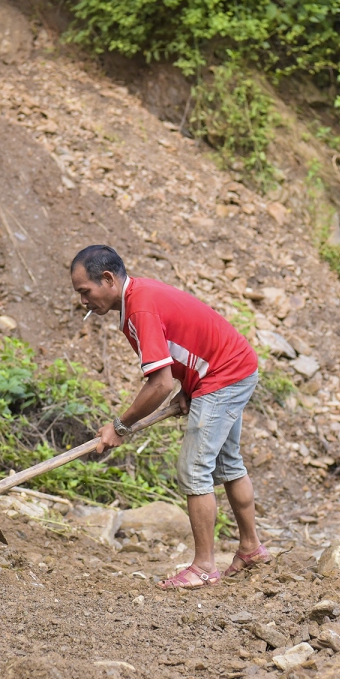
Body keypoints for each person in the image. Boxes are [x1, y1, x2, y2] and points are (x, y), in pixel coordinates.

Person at [70, 245, 265, 589]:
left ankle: (204, 567)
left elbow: (159, 384)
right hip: (231, 367)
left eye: (85, 292)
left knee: (194, 470)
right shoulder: (139, 298)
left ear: (108, 279)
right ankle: (250, 548)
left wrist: (120, 425)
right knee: (229, 463)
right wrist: (189, 388)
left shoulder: (140, 309)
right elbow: (181, 348)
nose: (83, 301)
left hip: (223, 375)